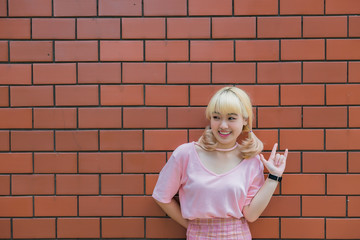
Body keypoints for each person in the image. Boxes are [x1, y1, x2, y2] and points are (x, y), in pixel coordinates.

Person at [152, 86, 288, 239]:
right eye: (216, 117)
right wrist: (192, 226)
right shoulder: (185, 155)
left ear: (244, 120)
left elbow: (251, 215)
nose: (223, 125)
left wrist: (274, 177)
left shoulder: (251, 161)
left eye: (231, 118)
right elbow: (161, 196)